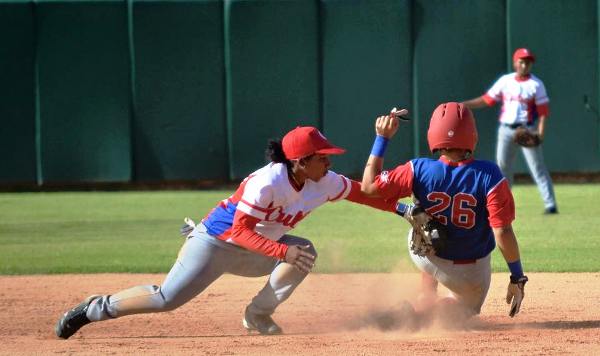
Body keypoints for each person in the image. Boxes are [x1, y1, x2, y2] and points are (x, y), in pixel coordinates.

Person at [55, 125, 399, 339]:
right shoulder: (267, 182)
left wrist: (403, 209)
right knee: (166, 299)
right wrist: (281, 251)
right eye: (322, 157)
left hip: (257, 248)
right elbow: (239, 231)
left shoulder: (323, 182)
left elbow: (365, 194)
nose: (329, 162)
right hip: (215, 243)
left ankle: (258, 315)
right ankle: (93, 308)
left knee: (304, 250)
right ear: (299, 161)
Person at [360, 103, 528, 320]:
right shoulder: (489, 174)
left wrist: (382, 138)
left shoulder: (417, 168)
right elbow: (502, 231)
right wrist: (517, 277)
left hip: (426, 257)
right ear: (472, 135)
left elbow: (368, 187)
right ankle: (425, 315)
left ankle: (425, 295)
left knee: (421, 220)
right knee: (465, 309)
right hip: (470, 273)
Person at [462, 48, 558, 214]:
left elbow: (543, 113)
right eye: (521, 61)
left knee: (537, 167)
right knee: (502, 167)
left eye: (528, 62)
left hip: (527, 130)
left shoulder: (536, 84)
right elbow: (487, 100)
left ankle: (550, 204)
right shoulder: (505, 81)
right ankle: (503, 203)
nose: (525, 64)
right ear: (515, 63)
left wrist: (540, 134)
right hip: (506, 130)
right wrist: (465, 104)